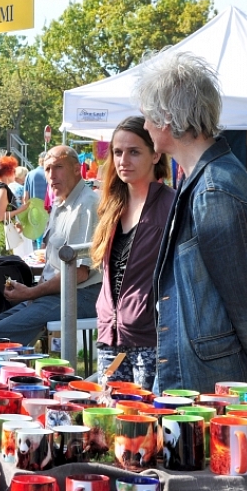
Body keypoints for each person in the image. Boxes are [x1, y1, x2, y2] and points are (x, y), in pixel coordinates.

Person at [138, 51, 247, 394]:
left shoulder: (214, 188)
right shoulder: (207, 179)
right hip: (200, 375)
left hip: (211, 385)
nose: (144, 125)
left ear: (166, 118)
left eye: (147, 116)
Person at [92, 116, 174, 391]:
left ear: (155, 155)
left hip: (151, 338)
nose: (123, 159)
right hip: (110, 336)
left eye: (134, 151)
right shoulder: (111, 206)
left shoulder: (171, 205)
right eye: (117, 152)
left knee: (145, 424)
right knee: (110, 422)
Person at [0, 145, 102, 346]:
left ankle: (19, 374)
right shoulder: (62, 203)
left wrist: (32, 292)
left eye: (58, 167)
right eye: (48, 169)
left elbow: (79, 273)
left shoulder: (87, 204)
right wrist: (33, 291)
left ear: (77, 169)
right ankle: (23, 371)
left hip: (82, 294)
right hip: (61, 292)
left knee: (1, 332)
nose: (51, 175)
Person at [0, 156, 29, 257]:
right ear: (8, 172)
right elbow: (0, 216)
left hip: (0, 235)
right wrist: (21, 209)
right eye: (14, 171)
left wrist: (14, 223)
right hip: (2, 238)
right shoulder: (2, 190)